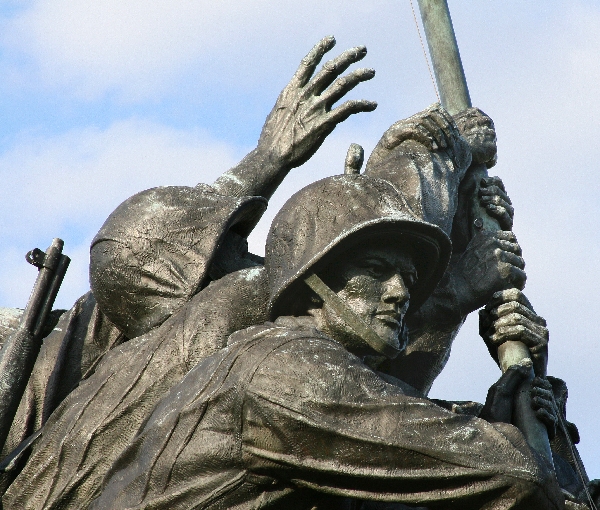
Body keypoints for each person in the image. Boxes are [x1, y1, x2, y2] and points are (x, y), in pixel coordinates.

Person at [72, 173, 563, 510]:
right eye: (375, 270)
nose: (400, 292)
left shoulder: (298, 366)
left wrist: (516, 396)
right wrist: (516, 432)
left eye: (408, 278)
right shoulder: (288, 369)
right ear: (312, 281)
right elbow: (515, 474)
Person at [0, 35, 379, 469]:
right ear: (188, 293)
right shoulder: (216, 321)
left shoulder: (109, 321)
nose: (251, 255)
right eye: (228, 249)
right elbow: (135, 246)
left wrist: (271, 165)